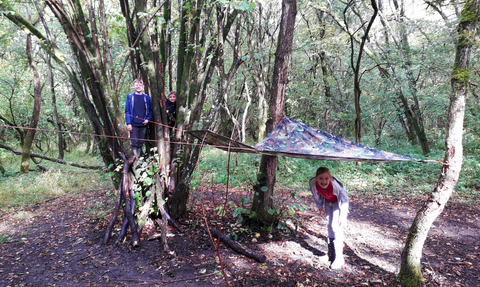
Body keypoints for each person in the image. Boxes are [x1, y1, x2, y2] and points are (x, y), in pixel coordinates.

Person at [309, 167, 349, 269]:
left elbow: (344, 200)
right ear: (316, 178)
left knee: (336, 227)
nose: (324, 181)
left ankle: (339, 258)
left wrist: (342, 215)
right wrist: (320, 207)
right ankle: (331, 254)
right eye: (321, 178)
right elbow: (316, 196)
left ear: (330, 178)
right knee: (330, 226)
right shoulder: (313, 184)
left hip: (338, 203)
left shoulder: (336, 187)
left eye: (326, 178)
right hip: (327, 201)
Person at [125, 78, 153, 159]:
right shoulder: (130, 97)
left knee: (141, 142)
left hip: (143, 124)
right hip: (133, 124)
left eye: (140, 85)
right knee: (134, 142)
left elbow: (150, 110)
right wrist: (128, 123)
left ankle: (139, 158)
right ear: (133, 86)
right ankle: (135, 158)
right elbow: (127, 111)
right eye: (136, 85)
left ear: (143, 86)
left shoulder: (147, 97)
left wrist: (148, 119)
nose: (138, 86)